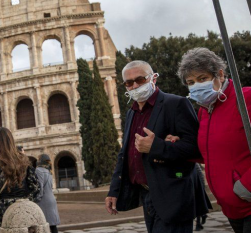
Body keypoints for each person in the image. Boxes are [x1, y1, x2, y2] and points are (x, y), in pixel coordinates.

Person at [105, 60, 201, 233]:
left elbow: (196, 148)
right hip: (147, 195)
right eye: (129, 83)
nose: (134, 85)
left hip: (173, 195)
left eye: (140, 80)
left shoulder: (176, 104)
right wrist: (114, 190)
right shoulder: (132, 112)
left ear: (153, 79)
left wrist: (157, 146)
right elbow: (124, 154)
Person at [177, 47, 251, 233]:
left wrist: (246, 188)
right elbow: (210, 152)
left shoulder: (246, 98)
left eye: (202, 78)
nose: (196, 85)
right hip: (231, 209)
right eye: (190, 82)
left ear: (220, 74)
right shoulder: (205, 111)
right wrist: (176, 144)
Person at [0, 127, 40, 233]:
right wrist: (26, 205)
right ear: (11, 140)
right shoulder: (23, 158)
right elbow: (36, 187)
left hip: (0, 215)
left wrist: (3, 211)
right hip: (23, 211)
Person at [35, 154, 60, 233]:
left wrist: (36, 200)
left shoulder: (39, 170)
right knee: (52, 225)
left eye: (38, 159)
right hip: (51, 199)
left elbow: (40, 187)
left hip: (44, 200)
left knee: (45, 225)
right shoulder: (48, 171)